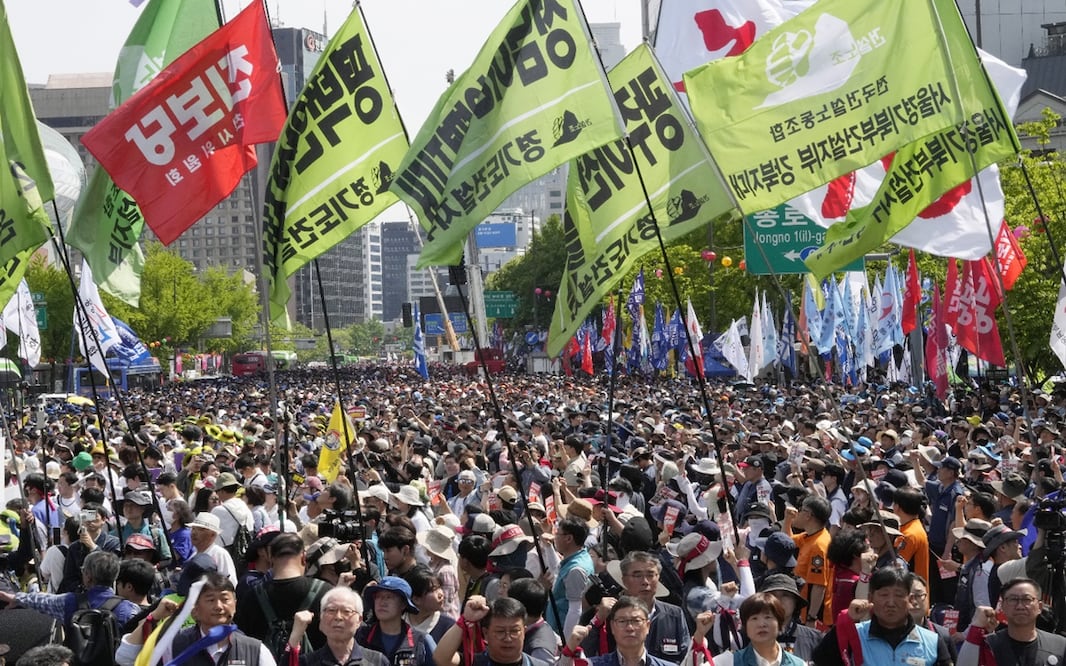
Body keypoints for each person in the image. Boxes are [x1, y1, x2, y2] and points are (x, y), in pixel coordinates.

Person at [115, 571, 276, 666]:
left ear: (235, 604)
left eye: (225, 599)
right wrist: (154, 616)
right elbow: (125, 658)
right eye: (211, 600)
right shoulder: (174, 644)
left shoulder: (254, 650)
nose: (219, 606)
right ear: (195, 610)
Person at [811, 567, 953, 666]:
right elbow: (820, 660)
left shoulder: (932, 641)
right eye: (884, 595)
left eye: (898, 595)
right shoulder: (854, 635)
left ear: (910, 599)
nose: (890, 603)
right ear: (870, 598)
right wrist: (846, 621)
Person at [235, 532, 332, 651]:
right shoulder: (326, 592)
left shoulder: (252, 596)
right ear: (303, 557)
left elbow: (241, 640)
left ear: (270, 559)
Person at [0, 550, 140, 627]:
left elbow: (44, 600)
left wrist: (17, 597)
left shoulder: (70, 601)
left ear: (88, 576)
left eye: (83, 570)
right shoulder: (130, 609)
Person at [959, 578, 1066, 666]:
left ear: (1039, 607)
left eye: (1027, 599)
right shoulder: (989, 645)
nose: (1020, 606)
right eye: (1013, 599)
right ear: (1003, 606)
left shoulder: (1060, 646)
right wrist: (975, 627)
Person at [684, 592, 807, 666]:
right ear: (745, 627)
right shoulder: (730, 661)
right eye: (754, 618)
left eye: (768, 617)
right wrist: (700, 635)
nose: (761, 624)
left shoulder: (798, 664)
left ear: (780, 624)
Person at [435, 595, 551, 666]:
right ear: (486, 633)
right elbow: (441, 658)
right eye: (500, 632)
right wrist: (465, 619)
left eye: (515, 631)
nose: (508, 638)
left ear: (524, 631)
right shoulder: (473, 662)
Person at [287, 587, 389, 666]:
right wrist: (295, 637)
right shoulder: (307, 662)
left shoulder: (377, 661)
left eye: (347, 611)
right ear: (321, 618)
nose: (338, 617)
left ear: (359, 620)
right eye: (331, 610)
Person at [562, 596, 676, 666]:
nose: (630, 627)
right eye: (622, 621)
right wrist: (570, 648)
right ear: (612, 627)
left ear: (647, 626)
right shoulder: (593, 664)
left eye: (636, 621)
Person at [356, 577, 435, 666]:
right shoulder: (361, 636)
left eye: (389, 597)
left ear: (403, 604)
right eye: (378, 597)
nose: (382, 602)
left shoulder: (422, 641)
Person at [785, 496, 832, 625]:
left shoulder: (819, 545)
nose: (797, 513)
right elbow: (787, 542)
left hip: (809, 615)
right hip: (801, 608)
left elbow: (819, 586)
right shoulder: (810, 535)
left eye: (801, 510)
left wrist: (811, 618)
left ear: (808, 515)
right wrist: (788, 520)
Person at [546, 517, 593, 637]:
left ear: (568, 538)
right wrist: (548, 547)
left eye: (558, 534)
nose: (555, 537)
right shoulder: (581, 556)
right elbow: (558, 570)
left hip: (561, 630)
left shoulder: (576, 570)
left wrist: (567, 644)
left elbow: (575, 610)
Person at [187, 511, 238, 584]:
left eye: (201, 529)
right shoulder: (193, 555)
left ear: (213, 534)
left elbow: (230, 583)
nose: (194, 533)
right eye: (193, 528)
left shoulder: (219, 554)